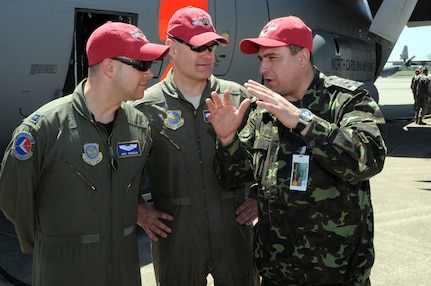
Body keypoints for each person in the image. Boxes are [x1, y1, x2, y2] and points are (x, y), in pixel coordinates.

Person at [205, 16, 387, 285]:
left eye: (272, 57)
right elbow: (233, 177)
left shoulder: (346, 100)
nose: (263, 67)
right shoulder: (262, 111)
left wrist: (304, 122)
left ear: (302, 57)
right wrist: (228, 139)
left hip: (336, 273)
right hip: (277, 272)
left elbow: (367, 160)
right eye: (260, 59)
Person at [0, 21, 169, 286]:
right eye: (142, 65)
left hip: (123, 272)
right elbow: (13, 199)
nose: (149, 74)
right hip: (64, 272)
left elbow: (131, 183)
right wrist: (55, 244)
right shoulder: (44, 129)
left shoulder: (138, 126)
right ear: (110, 67)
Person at [133, 6, 259, 286]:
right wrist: (138, 209)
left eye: (211, 46)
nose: (208, 55)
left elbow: (269, 158)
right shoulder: (145, 108)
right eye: (197, 47)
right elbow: (122, 173)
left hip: (234, 233)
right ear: (171, 48)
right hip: (176, 238)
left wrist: (258, 198)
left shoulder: (237, 98)